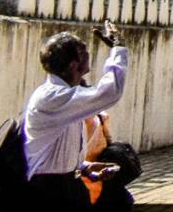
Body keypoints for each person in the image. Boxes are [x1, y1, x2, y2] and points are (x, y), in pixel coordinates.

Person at [22, 23, 131, 208]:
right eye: (85, 51)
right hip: (49, 192)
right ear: (74, 64)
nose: (89, 54)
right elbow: (110, 92)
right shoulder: (53, 97)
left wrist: (85, 167)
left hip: (66, 186)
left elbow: (57, 150)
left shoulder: (66, 94)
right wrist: (118, 49)